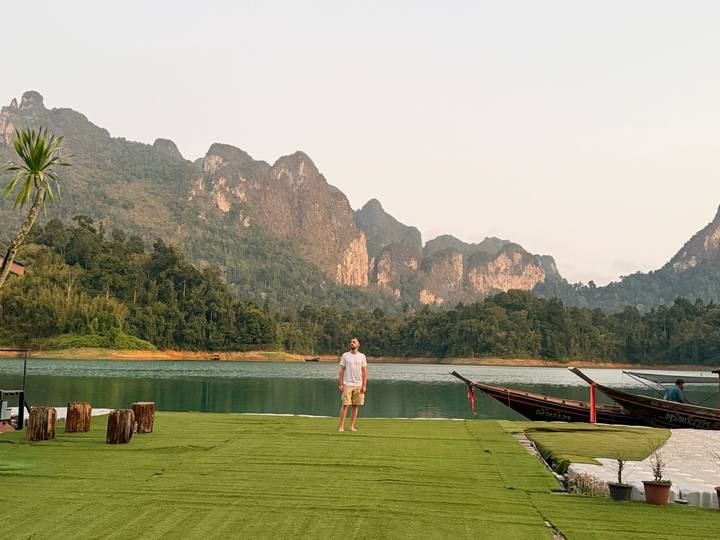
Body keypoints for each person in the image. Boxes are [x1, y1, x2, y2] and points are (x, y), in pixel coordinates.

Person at [338, 337, 367, 432]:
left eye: (354, 342)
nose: (352, 343)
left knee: (355, 405)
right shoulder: (345, 355)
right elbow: (341, 370)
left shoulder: (362, 356)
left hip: (358, 385)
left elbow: (364, 372)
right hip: (347, 384)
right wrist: (341, 384)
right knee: (345, 405)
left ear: (358, 344)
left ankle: (351, 426)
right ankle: (341, 426)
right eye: (351, 342)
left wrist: (364, 385)